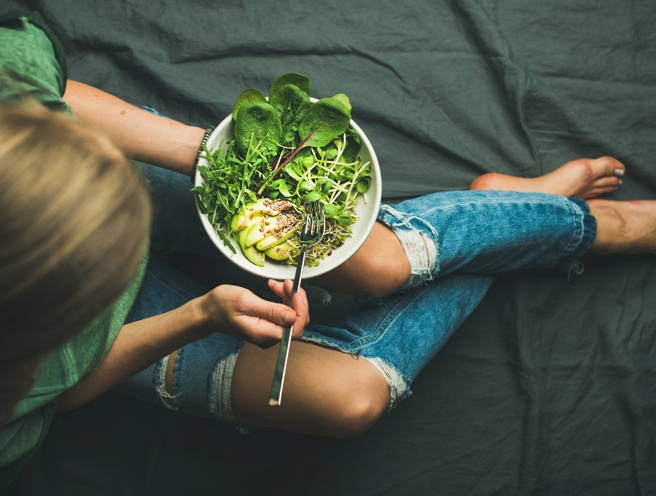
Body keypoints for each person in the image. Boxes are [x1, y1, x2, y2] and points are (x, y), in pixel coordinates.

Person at [1, 8, 654, 485]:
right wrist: (195, 318)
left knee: (377, 262)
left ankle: (561, 221)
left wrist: (217, 159)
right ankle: (524, 215)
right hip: (89, 311)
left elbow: (43, 95)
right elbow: (62, 391)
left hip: (93, 173)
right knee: (349, 398)